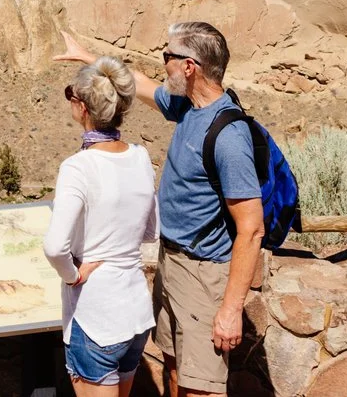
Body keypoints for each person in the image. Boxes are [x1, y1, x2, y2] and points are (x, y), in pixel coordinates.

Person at [55, 22, 262, 397]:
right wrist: (90, 58)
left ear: (189, 66)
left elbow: (251, 228)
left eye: (167, 56)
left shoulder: (228, 134)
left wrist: (231, 309)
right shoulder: (187, 107)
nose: (161, 63)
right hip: (173, 263)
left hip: (203, 274)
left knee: (202, 387)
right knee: (176, 371)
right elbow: (139, 84)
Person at [43, 56, 158, 396]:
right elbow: (150, 231)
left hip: (96, 316)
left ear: (80, 106)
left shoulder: (78, 167)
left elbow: (54, 247)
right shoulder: (140, 156)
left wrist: (72, 274)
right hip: (135, 312)